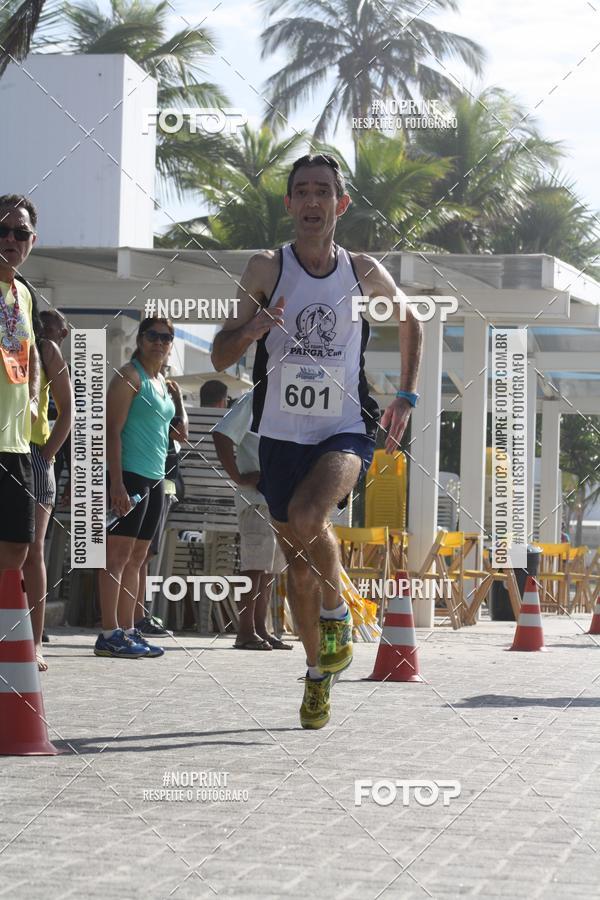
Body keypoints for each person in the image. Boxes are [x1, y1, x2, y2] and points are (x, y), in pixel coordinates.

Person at [212, 154, 422, 728]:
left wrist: (406, 395)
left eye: (322, 192)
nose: (311, 202)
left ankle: (337, 615)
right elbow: (219, 353)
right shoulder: (265, 268)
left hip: (344, 428)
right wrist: (252, 329)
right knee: (296, 566)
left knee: (310, 512)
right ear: (289, 204)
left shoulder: (362, 271)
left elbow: (412, 322)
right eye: (301, 191)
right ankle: (315, 673)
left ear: (340, 204)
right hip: (279, 434)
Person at [95, 317, 176, 658]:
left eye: (166, 337)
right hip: (129, 473)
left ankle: (128, 630)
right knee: (116, 557)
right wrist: (116, 484)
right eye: (153, 336)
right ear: (141, 340)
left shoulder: (162, 382)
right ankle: (108, 632)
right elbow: (111, 431)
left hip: (156, 476)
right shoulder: (130, 377)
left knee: (138, 558)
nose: (159, 342)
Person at [213, 391, 291, 651]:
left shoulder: (287, 397)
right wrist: (237, 476)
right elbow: (221, 433)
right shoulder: (256, 397)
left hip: (278, 498)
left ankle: (260, 628)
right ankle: (245, 630)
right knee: (254, 567)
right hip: (255, 498)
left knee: (268, 568)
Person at [22, 309, 72, 670]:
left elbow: (68, 410)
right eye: (59, 323)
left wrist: (48, 453)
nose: (65, 330)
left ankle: (36, 641)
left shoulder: (47, 349)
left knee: (33, 549)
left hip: (34, 455)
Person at [0, 195, 40, 582]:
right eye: (2, 230)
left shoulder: (23, 294)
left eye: (20, 232)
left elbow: (30, 354)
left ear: (32, 240)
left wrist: (31, 396)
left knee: (17, 547)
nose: (10, 238)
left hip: (16, 443)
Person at [133, 367, 188, 636]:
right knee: (137, 555)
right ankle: (134, 616)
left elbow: (182, 433)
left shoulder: (165, 410)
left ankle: (137, 614)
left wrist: (177, 401)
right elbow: (181, 434)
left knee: (144, 554)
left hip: (161, 484)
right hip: (149, 478)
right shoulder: (150, 410)